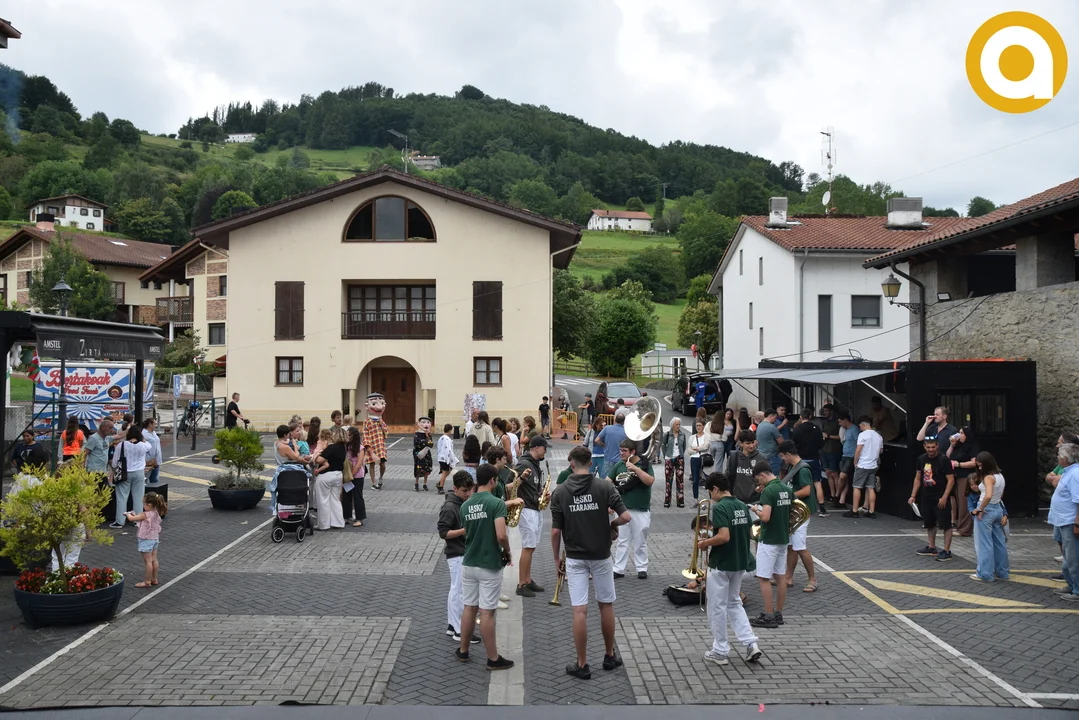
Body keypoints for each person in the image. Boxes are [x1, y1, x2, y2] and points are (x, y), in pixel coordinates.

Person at [550, 445, 631, 679]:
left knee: (579, 610)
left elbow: (555, 532)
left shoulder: (560, 492)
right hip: (601, 555)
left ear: (571, 463)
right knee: (606, 605)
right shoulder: (604, 486)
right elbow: (626, 516)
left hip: (575, 557)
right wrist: (612, 525)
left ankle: (582, 664)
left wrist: (556, 558)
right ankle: (609, 655)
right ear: (591, 463)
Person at [696, 472, 763, 665]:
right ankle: (750, 643)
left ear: (715, 489)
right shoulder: (742, 505)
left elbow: (724, 536)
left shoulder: (720, 507)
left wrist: (705, 543)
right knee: (734, 602)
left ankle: (720, 650)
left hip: (722, 562)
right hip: (739, 561)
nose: (711, 497)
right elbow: (748, 532)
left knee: (716, 607)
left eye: (710, 492)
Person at [455, 464, 514, 670]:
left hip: (469, 562)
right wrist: (507, 551)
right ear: (492, 481)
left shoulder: (465, 505)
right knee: (487, 612)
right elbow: (501, 534)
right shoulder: (496, 503)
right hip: (489, 563)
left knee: (469, 607)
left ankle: (463, 651)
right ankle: (493, 658)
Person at [438, 470, 480, 645]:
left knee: (455, 590)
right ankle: (460, 630)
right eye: (464, 491)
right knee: (459, 592)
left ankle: (452, 625)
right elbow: (443, 533)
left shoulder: (460, 503)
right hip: (456, 553)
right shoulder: (449, 508)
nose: (468, 494)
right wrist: (464, 530)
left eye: (469, 490)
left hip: (459, 553)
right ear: (455, 488)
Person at [749, 462, 791, 628]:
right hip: (783, 538)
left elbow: (765, 517)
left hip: (769, 539)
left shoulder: (769, 490)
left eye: (758, 479)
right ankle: (778, 613)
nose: (758, 483)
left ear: (762, 475)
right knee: (780, 577)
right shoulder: (786, 488)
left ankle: (768, 615)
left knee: (764, 577)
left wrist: (755, 510)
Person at [609, 438, 655, 580]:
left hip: (640, 509)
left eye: (624, 451)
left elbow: (650, 481)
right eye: (620, 450)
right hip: (622, 509)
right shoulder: (618, 465)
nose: (621, 453)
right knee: (622, 540)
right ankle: (618, 568)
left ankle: (642, 568)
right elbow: (607, 483)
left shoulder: (644, 465)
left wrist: (635, 469)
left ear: (633, 452)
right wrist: (608, 502)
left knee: (640, 540)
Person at [909, 436, 956, 561]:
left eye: (933, 447)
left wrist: (944, 497)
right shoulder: (921, 459)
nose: (931, 449)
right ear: (924, 446)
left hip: (940, 496)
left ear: (937, 446)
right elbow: (918, 478)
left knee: (946, 524)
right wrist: (913, 495)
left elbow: (951, 480)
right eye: (928, 447)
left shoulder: (944, 460)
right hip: (926, 496)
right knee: (929, 522)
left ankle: (946, 551)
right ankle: (931, 547)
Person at [778, 441, 817, 593]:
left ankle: (812, 579)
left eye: (783, 456)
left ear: (788, 454)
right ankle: (788, 577)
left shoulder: (802, 470)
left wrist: (789, 496)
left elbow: (807, 490)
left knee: (800, 547)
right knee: (791, 547)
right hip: (795, 512)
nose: (783, 459)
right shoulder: (793, 467)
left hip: (801, 513)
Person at [513, 436, 548, 597]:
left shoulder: (534, 464)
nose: (545, 451)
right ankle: (521, 584)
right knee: (528, 546)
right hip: (527, 509)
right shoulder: (524, 464)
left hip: (534, 507)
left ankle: (527, 579)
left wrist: (541, 494)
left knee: (531, 546)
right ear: (536, 448)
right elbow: (511, 484)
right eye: (544, 448)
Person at [970, 451, 1009, 583]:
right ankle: (1002, 571)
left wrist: (980, 509)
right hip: (997, 508)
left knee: (984, 544)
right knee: (999, 543)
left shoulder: (988, 478)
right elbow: (1000, 494)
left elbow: (987, 495)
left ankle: (985, 574)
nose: (979, 468)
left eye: (981, 465)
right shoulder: (1000, 476)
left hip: (986, 510)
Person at [1048, 443, 1079, 602]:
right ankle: (1071, 584)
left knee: (1073, 558)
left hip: (1069, 521)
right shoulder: (1068, 472)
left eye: (1059, 455)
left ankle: (1077, 589)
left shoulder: (1075, 475)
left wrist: (1077, 523)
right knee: (1068, 556)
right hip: (1062, 520)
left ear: (1065, 459)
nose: (1057, 458)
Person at [109, 426, 153, 529]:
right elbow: (149, 445)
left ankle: (120, 521)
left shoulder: (121, 445)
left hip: (124, 473)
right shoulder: (143, 445)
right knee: (138, 497)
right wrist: (142, 439)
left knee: (121, 497)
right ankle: (137, 520)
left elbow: (114, 462)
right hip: (139, 473)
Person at [124, 492, 167, 589]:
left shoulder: (145, 514)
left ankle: (147, 581)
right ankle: (154, 579)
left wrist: (127, 514)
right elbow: (139, 519)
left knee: (148, 562)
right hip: (154, 538)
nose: (143, 506)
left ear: (149, 504)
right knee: (154, 560)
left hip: (146, 540)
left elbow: (131, 519)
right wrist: (135, 515)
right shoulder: (156, 512)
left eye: (144, 504)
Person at [843, 415, 883, 519]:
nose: (859, 428)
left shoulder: (863, 435)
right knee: (870, 487)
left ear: (862, 424)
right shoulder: (879, 436)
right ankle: (872, 511)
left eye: (860, 426)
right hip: (873, 465)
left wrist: (855, 462)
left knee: (857, 487)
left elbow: (858, 450)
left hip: (863, 465)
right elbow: (881, 451)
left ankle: (854, 510)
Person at [791, 407, 827, 517]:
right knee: (817, 483)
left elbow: (793, 445)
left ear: (801, 417)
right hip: (814, 458)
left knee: (801, 483)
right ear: (810, 416)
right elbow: (821, 444)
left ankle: (800, 506)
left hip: (801, 460)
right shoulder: (817, 429)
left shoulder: (797, 430)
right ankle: (822, 508)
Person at [947, 426, 980, 536]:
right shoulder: (959, 446)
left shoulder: (973, 446)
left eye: (962, 433)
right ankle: (961, 526)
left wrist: (959, 464)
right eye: (959, 433)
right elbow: (948, 456)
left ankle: (965, 529)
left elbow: (974, 462)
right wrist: (952, 445)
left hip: (966, 476)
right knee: (959, 502)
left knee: (964, 503)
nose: (959, 435)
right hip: (957, 476)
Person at [312, 427, 347, 530]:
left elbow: (319, 460)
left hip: (326, 475)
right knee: (335, 499)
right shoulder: (343, 448)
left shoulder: (332, 447)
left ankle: (324, 524)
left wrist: (316, 454)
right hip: (338, 474)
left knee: (323, 500)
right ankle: (338, 522)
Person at [727, 430, 763, 508]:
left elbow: (767, 478)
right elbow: (727, 476)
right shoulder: (733, 458)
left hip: (755, 502)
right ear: (741, 443)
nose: (751, 446)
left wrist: (761, 487)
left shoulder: (761, 458)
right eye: (748, 443)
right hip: (736, 501)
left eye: (753, 442)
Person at [362, 393, 389, 490]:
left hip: (380, 446)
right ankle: (374, 482)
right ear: (367, 406)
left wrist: (381, 423)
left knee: (382, 464)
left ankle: (380, 477)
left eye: (381, 403)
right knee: (372, 464)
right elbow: (365, 436)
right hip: (372, 446)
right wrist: (369, 450)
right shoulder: (367, 421)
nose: (379, 407)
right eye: (374, 404)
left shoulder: (381, 421)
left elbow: (386, 433)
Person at [819, 404, 843, 506]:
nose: (824, 413)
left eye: (826, 411)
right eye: (824, 411)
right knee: (828, 473)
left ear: (831, 411)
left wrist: (828, 436)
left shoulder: (837, 422)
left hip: (834, 450)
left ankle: (837, 495)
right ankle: (832, 495)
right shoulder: (824, 422)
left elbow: (840, 437)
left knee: (834, 473)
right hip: (824, 449)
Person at [343, 426, 366, 527]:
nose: (347, 437)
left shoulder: (360, 448)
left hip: (357, 476)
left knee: (357, 497)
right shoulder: (347, 447)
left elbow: (359, 464)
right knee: (346, 496)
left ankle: (359, 518)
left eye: (349, 435)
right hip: (348, 475)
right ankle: (346, 516)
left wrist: (351, 475)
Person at [662, 418, 687, 508]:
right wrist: (666, 455)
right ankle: (667, 500)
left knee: (680, 481)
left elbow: (684, 446)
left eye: (679, 424)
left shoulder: (682, 435)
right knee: (668, 481)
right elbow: (663, 445)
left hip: (679, 458)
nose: (678, 426)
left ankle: (680, 501)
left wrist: (680, 455)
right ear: (672, 425)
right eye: (676, 424)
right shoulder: (667, 434)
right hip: (669, 458)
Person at [836, 412, 858, 508]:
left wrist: (856, 457)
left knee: (842, 476)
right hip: (845, 455)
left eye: (840, 422)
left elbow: (858, 443)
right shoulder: (846, 430)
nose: (839, 424)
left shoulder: (854, 429)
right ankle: (842, 501)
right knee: (845, 479)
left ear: (845, 420)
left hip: (851, 456)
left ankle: (837, 495)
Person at [687, 419, 710, 502]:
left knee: (708, 478)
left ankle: (711, 499)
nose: (698, 427)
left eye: (700, 425)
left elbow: (706, 446)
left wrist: (696, 448)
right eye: (697, 425)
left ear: (703, 426)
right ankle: (695, 499)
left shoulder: (707, 436)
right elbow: (689, 450)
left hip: (704, 458)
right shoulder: (692, 437)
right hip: (694, 459)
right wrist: (697, 450)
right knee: (695, 480)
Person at [755, 409, 782, 475]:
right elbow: (781, 442)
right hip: (772, 456)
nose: (775, 420)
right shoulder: (772, 427)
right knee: (773, 477)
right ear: (771, 416)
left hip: (761, 455)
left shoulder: (759, 426)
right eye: (775, 417)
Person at [413, 417, 434, 492]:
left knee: (427, 468)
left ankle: (425, 484)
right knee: (418, 468)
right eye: (423, 422)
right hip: (418, 454)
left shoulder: (428, 434)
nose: (426, 424)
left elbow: (431, 444)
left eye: (428, 422)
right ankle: (416, 483)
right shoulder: (417, 434)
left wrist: (427, 436)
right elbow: (418, 443)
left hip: (427, 453)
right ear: (419, 423)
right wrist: (426, 442)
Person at [436, 423, 459, 493]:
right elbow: (448, 450)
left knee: (447, 471)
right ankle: (440, 487)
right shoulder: (447, 439)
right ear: (449, 430)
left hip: (441, 457)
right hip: (445, 458)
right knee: (444, 472)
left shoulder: (441, 438)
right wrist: (453, 459)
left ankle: (440, 483)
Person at [141, 418, 163, 486]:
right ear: (150, 424)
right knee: (146, 479)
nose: (155, 425)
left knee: (155, 480)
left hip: (156, 460)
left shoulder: (153, 432)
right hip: (149, 461)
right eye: (154, 424)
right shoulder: (144, 434)